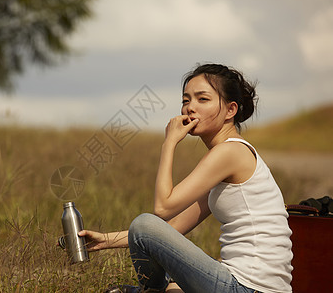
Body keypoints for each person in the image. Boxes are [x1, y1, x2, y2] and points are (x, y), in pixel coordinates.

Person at [79, 63, 293, 293]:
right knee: (168, 280)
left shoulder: (230, 152)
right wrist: (105, 240)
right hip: (242, 284)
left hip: (247, 288)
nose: (190, 108)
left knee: (144, 224)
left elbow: (162, 209)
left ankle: (148, 291)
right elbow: (172, 227)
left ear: (230, 110)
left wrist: (169, 143)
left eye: (203, 99)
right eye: (185, 100)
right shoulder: (227, 159)